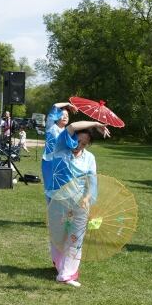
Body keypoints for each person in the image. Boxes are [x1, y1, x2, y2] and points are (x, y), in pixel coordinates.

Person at [46, 120, 111, 286]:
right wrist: (96, 123)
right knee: (58, 235)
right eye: (77, 140)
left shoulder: (89, 158)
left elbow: (92, 180)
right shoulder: (61, 147)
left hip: (79, 203)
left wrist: (87, 197)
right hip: (57, 200)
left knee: (76, 237)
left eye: (84, 143)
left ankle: (67, 274)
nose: (79, 145)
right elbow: (72, 127)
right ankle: (60, 265)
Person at [42, 102, 78, 203]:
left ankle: (64, 215)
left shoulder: (70, 132)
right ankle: (51, 214)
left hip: (65, 162)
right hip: (49, 162)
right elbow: (55, 106)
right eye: (62, 115)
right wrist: (68, 104)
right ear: (56, 116)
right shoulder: (51, 126)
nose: (64, 117)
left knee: (66, 188)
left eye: (67, 115)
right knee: (51, 187)